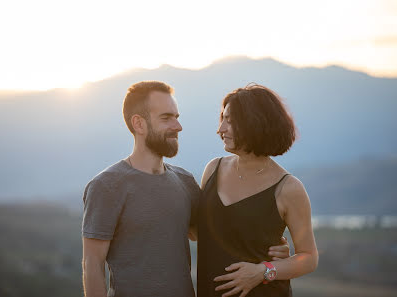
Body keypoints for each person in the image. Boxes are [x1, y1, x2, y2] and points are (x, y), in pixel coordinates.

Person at [82, 81, 290, 297]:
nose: (177, 126)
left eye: (177, 117)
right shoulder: (107, 186)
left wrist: (269, 250)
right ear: (139, 124)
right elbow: (92, 265)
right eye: (166, 118)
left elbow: (217, 235)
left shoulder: (185, 181)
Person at [197, 84, 318, 297]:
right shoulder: (212, 169)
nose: (221, 129)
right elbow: (197, 230)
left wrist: (264, 271)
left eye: (231, 121)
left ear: (256, 123)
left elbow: (308, 258)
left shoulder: (288, 188)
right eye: (222, 119)